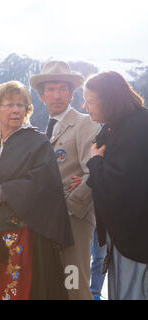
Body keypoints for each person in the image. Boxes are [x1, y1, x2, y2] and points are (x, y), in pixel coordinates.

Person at [0, 80, 73, 300]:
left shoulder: (38, 142)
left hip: (20, 231)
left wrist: (8, 190)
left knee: (14, 290)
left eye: (20, 105)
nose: (16, 110)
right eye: (9, 105)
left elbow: (46, 183)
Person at [30, 61, 101, 300]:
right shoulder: (43, 130)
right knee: (51, 287)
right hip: (46, 222)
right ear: (42, 95)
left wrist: (69, 205)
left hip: (73, 222)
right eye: (51, 89)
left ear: (72, 93)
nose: (57, 95)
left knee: (75, 284)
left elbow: (93, 172)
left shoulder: (85, 124)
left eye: (63, 88)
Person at [83, 70, 148, 300]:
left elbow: (118, 188)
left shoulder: (133, 131)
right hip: (128, 238)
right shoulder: (124, 124)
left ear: (108, 101)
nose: (85, 106)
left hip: (135, 241)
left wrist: (96, 162)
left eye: (90, 101)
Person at [90, 228, 106, 299]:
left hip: (103, 221)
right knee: (82, 257)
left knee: (101, 258)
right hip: (84, 219)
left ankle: (95, 294)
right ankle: (81, 292)